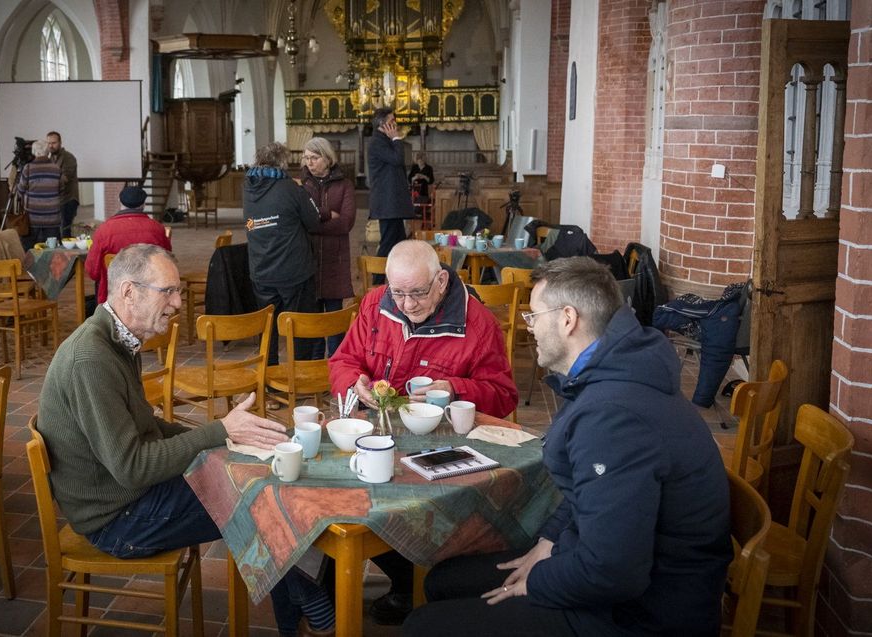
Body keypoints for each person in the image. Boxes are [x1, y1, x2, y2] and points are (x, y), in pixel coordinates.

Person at [402, 257, 733, 637]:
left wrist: (540, 582)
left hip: (644, 614)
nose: (530, 330)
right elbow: (589, 495)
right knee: (443, 580)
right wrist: (551, 538)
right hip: (619, 571)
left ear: (567, 319)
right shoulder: (615, 371)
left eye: (534, 317)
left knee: (422, 626)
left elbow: (614, 572)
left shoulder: (613, 418)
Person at [37, 244, 334, 637]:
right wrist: (220, 432)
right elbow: (133, 467)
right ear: (129, 292)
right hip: (115, 521)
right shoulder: (91, 359)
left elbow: (148, 427)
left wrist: (224, 440)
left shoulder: (116, 340)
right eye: (168, 292)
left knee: (253, 480)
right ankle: (311, 603)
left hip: (124, 496)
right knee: (256, 496)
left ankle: (300, 612)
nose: (179, 302)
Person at [328, 239, 518, 624]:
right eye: (398, 292)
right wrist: (355, 383)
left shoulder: (476, 322)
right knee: (344, 500)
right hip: (382, 439)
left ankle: (414, 585)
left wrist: (456, 389)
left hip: (441, 452)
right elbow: (345, 359)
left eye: (417, 293)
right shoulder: (376, 305)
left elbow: (503, 395)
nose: (407, 304)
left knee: (416, 512)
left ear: (442, 281)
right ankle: (359, 588)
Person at [244, 141, 326, 367]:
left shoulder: (249, 187)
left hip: (261, 269)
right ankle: (298, 377)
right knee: (298, 326)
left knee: (267, 327)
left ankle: (269, 381)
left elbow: (256, 223)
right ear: (282, 162)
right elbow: (314, 222)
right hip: (293, 270)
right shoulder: (290, 188)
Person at [300, 136, 356, 358]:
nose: (309, 163)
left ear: (327, 158)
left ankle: (336, 370)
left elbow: (346, 223)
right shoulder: (302, 185)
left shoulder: (345, 185)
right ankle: (314, 373)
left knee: (334, 324)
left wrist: (314, 223)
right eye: (306, 158)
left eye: (314, 158)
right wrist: (325, 215)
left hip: (335, 261)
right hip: (309, 261)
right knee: (313, 324)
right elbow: (302, 222)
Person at [85, 184, 172, 304]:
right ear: (143, 204)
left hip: (114, 296)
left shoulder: (104, 230)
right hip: (149, 296)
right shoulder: (157, 229)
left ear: (119, 201)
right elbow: (167, 262)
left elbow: (92, 272)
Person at [367, 108, 415, 263]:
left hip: (392, 203)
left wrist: (394, 139)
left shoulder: (384, 140)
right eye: (392, 121)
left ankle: (398, 279)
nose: (395, 124)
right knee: (388, 244)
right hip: (387, 203)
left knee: (399, 243)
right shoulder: (377, 142)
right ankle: (376, 280)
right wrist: (396, 138)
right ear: (382, 124)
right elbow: (397, 159)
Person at [16, 139, 62, 249]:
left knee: (29, 248)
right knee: (53, 250)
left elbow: (21, 190)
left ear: (34, 152)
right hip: (52, 216)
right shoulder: (56, 168)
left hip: (33, 217)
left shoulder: (28, 168)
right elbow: (61, 189)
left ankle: (30, 266)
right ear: (48, 152)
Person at [46, 130, 79, 237]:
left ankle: (67, 253)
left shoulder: (68, 157)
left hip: (68, 199)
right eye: (49, 143)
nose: (51, 146)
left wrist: (46, 183)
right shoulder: (49, 158)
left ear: (60, 143)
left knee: (65, 231)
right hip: (55, 200)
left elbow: (65, 179)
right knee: (55, 232)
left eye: (54, 143)